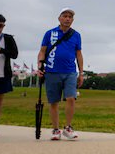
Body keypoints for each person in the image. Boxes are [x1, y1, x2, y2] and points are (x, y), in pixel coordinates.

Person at [36, 8, 84, 142]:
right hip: (52, 71)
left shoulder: (76, 35)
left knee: (71, 98)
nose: (67, 19)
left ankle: (68, 127)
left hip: (69, 71)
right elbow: (42, 51)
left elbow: (78, 54)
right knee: (53, 102)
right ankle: (55, 129)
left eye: (70, 17)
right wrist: (40, 65)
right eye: (65, 16)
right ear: (59, 18)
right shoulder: (49, 33)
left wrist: (81, 72)